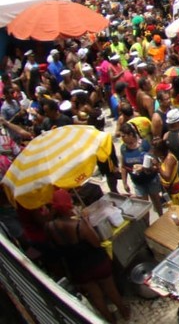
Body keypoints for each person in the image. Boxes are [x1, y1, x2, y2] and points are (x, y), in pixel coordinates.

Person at [44, 189, 130, 323]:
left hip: (77, 268)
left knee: (96, 296)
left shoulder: (49, 227)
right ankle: (124, 311)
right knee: (110, 288)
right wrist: (86, 221)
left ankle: (109, 319)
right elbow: (96, 243)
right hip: (97, 263)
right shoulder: (78, 225)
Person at [119, 121, 162, 215]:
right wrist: (124, 183)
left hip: (151, 179)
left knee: (157, 201)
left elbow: (155, 163)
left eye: (123, 136)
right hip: (138, 183)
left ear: (130, 134)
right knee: (144, 206)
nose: (121, 138)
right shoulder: (123, 149)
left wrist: (143, 167)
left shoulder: (144, 145)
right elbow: (123, 167)